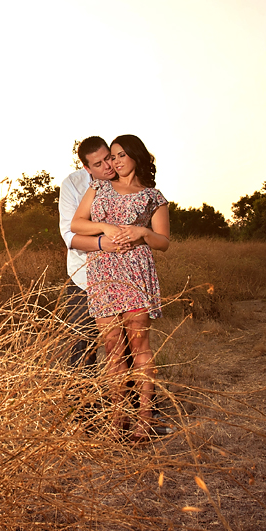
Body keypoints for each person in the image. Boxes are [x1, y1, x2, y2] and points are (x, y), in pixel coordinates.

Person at [70, 134, 170, 443]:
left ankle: (143, 418)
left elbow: (164, 242)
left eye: (121, 154)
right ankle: (117, 419)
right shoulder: (98, 187)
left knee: (139, 346)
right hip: (102, 271)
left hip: (135, 270)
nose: (115, 161)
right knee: (112, 349)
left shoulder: (153, 196)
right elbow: (76, 224)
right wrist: (105, 227)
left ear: (137, 157)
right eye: (112, 156)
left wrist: (143, 231)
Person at [58, 136, 128, 369]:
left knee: (126, 345)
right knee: (82, 346)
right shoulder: (73, 185)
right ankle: (80, 404)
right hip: (83, 277)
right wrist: (101, 243)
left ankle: (134, 402)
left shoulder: (125, 176)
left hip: (120, 275)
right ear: (87, 168)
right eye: (98, 164)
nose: (108, 166)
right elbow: (70, 236)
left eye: (108, 158)